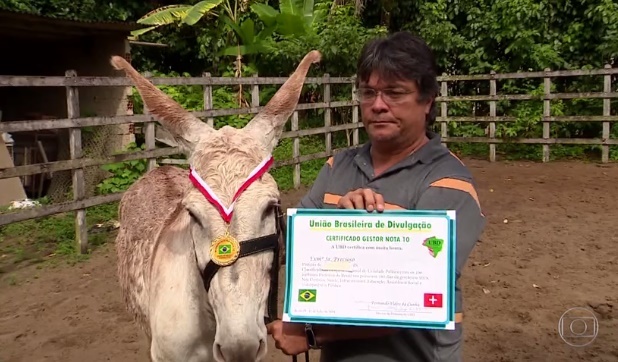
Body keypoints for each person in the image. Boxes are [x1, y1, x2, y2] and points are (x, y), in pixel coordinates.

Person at [267, 31, 486, 362]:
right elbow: (294, 252)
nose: (379, 105)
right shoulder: (336, 166)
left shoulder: (448, 184)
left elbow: (414, 298)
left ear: (427, 101)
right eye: (369, 93)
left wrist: (311, 334)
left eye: (395, 93)